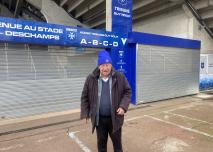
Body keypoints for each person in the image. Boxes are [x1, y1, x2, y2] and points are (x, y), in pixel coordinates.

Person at [80, 49, 132, 152]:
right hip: (99, 120)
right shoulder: (91, 78)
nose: (105, 68)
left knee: (117, 146)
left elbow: (127, 91)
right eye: (103, 65)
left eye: (108, 64)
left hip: (115, 119)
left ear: (111, 65)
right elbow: (84, 97)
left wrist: (123, 106)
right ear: (99, 66)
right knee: (101, 145)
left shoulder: (119, 77)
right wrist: (85, 113)